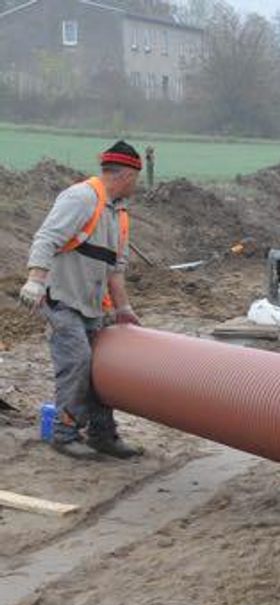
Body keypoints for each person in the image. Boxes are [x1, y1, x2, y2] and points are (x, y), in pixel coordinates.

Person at [18, 140, 148, 460]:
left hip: (92, 305)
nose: (138, 185)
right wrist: (35, 281)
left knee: (101, 366)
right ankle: (64, 434)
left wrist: (124, 309)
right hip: (60, 298)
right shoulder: (81, 198)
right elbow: (46, 237)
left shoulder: (119, 214)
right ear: (129, 176)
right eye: (137, 179)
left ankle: (102, 434)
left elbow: (114, 270)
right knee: (76, 361)